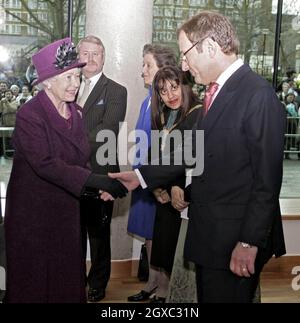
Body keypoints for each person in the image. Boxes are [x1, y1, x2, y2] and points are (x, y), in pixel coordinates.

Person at [109, 11, 286, 303]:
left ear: (211, 47)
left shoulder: (257, 95)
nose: (183, 64)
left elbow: (267, 181)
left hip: (234, 240)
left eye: (186, 53)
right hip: (212, 236)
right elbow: (192, 148)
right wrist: (139, 177)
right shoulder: (217, 92)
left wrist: (248, 242)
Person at [3, 38, 127, 303]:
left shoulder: (77, 113)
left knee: (65, 279)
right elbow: (45, 163)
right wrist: (94, 180)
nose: (75, 84)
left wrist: (97, 189)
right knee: (35, 283)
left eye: (77, 77)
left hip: (66, 212)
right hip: (33, 217)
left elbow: (80, 160)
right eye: (68, 78)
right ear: (47, 82)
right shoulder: (29, 115)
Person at [77, 35, 127, 303]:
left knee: (98, 237)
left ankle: (97, 285)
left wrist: (69, 142)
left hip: (101, 175)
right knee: (73, 235)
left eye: (97, 54)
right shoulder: (69, 86)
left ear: (104, 58)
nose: (92, 58)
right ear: (78, 57)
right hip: (70, 176)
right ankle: (74, 282)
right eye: (86, 53)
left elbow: (106, 131)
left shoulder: (116, 90)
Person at [127, 44, 177, 302]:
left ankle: (165, 288)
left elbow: (168, 149)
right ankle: (152, 283)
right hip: (143, 179)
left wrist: (154, 180)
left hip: (157, 181)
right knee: (148, 233)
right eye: (143, 64)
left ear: (163, 70)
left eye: (148, 65)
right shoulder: (148, 99)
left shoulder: (169, 102)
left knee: (161, 235)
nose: (143, 70)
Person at [149, 66, 202, 303]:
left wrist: (176, 184)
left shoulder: (199, 113)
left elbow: (195, 157)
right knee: (168, 255)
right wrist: (156, 187)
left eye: (174, 86)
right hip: (165, 193)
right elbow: (157, 154)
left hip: (186, 195)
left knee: (185, 260)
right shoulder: (163, 116)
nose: (170, 95)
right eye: (163, 91)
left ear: (185, 84)